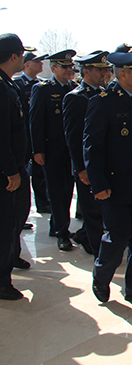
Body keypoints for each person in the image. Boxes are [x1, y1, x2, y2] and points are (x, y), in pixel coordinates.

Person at [84, 49, 132, 304]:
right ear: (123, 73)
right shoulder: (103, 101)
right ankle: (102, 274)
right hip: (115, 185)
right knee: (117, 236)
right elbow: (92, 146)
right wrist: (98, 183)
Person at [63, 51, 112, 256]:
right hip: (87, 165)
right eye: (99, 69)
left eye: (105, 69)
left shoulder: (105, 95)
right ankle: (95, 248)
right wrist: (80, 168)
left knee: (103, 209)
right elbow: (74, 138)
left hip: (105, 163)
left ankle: (89, 237)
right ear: (85, 72)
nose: (104, 73)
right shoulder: (76, 98)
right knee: (91, 211)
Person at [29, 49, 77, 250]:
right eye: (64, 67)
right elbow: (36, 121)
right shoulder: (43, 89)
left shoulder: (75, 88)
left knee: (67, 191)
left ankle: (56, 225)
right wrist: (37, 149)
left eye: (70, 67)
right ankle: (62, 233)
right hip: (52, 150)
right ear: (54, 68)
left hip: (71, 150)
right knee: (57, 192)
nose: (68, 70)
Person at [0, 34, 32, 300]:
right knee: (5, 225)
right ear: (13, 57)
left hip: (14, 167)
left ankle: (9, 262)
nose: (24, 59)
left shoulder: (7, 85)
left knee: (12, 223)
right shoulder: (1, 88)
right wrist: (11, 170)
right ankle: (1, 281)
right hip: (5, 173)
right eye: (22, 55)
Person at [14, 49, 51, 215]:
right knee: (21, 175)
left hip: (37, 136)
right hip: (22, 136)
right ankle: (20, 212)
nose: (41, 64)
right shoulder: (17, 85)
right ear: (27, 65)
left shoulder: (42, 85)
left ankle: (43, 202)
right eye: (37, 62)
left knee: (39, 172)